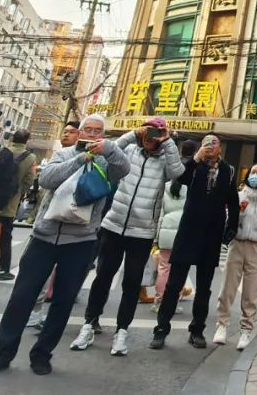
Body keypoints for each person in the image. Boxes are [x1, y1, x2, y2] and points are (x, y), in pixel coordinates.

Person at [0, 114, 130, 377]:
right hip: (44, 236)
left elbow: (124, 168)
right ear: (80, 132)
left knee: (63, 301)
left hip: (81, 241)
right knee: (22, 297)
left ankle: (42, 355)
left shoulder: (107, 162)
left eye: (98, 131)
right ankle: (2, 354)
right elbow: (48, 180)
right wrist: (81, 158)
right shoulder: (64, 154)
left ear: (103, 135)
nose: (92, 134)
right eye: (88, 129)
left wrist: (108, 149)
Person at [70, 115, 184, 357]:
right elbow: (108, 151)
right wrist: (133, 133)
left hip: (142, 232)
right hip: (114, 225)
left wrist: (168, 141)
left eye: (156, 133)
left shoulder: (165, 159)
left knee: (132, 283)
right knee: (103, 277)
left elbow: (178, 172)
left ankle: (122, 331)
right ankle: (89, 324)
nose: (150, 137)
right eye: (147, 131)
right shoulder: (130, 150)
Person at [150, 134, 239, 349]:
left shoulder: (228, 170)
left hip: (212, 233)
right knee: (174, 284)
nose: (210, 146)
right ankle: (161, 329)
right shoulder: (194, 166)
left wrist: (232, 227)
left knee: (204, 287)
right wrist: (196, 158)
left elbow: (233, 201)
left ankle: (197, 330)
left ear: (220, 148)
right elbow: (180, 179)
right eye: (206, 143)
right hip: (188, 230)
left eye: (214, 143)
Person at [212, 163, 257, 350]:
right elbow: (229, 220)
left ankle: (246, 329)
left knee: (251, 291)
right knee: (227, 287)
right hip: (237, 244)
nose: (254, 175)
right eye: (252, 172)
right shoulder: (240, 195)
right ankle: (221, 325)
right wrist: (239, 212)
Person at [24, 121, 81, 330]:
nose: (66, 135)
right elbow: (45, 183)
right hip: (47, 223)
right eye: (64, 132)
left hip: (73, 226)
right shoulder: (60, 156)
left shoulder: (88, 159)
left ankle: (42, 311)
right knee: (37, 272)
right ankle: (33, 310)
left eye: (71, 132)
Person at [153, 139, 199, 310]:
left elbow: (160, 211)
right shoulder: (194, 180)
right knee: (179, 269)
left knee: (163, 267)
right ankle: (172, 302)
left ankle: (159, 300)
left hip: (166, 228)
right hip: (185, 229)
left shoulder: (168, 183)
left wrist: (156, 236)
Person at [0, 130, 37, 279]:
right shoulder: (30, 157)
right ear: (27, 140)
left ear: (12, 138)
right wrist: (18, 192)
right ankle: (4, 270)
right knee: (6, 235)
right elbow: (29, 180)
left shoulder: (1, 151)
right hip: (11, 201)